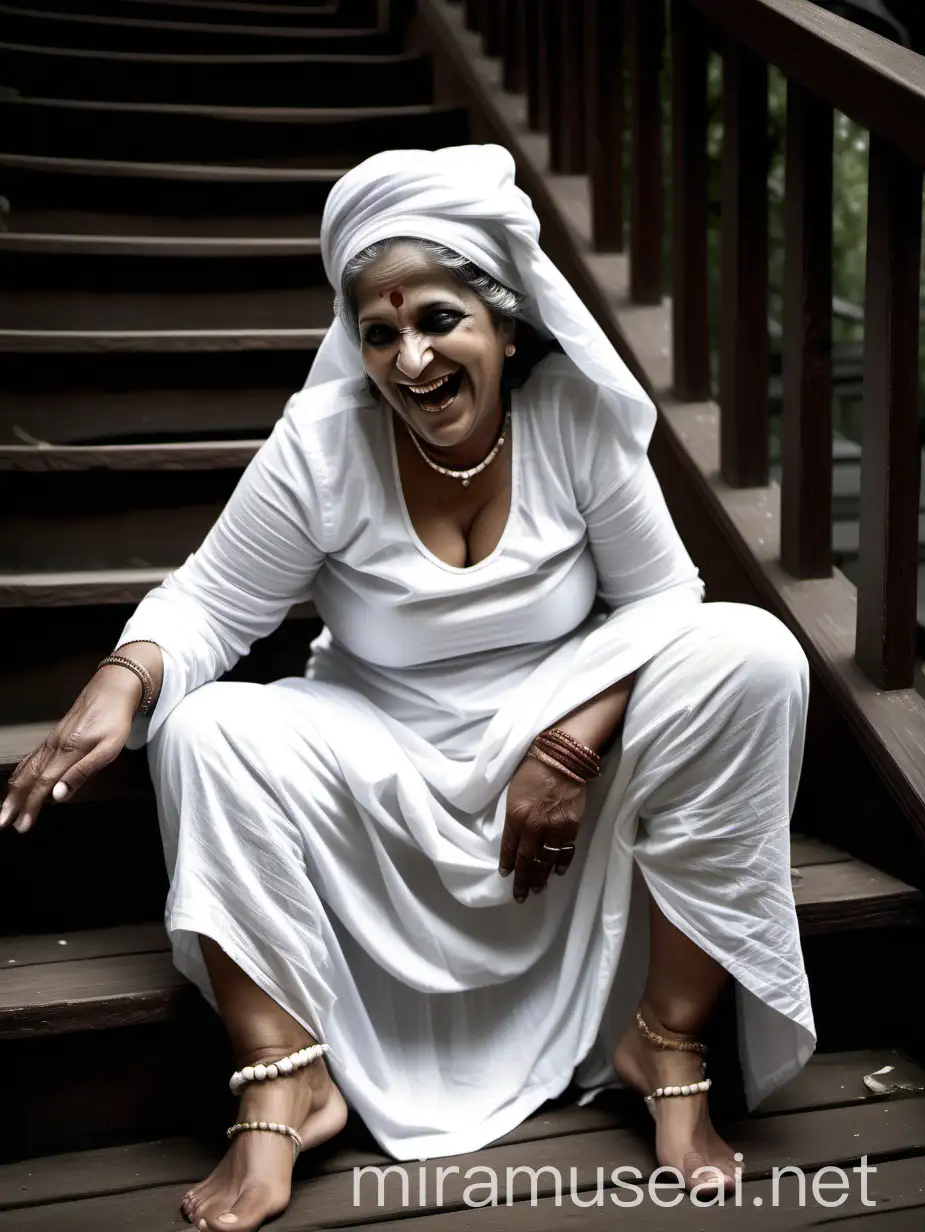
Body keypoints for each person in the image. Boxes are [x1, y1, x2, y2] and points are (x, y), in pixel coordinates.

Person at [0, 144, 814, 1231]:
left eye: (436, 319)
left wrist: (570, 744)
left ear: (504, 324)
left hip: (557, 769)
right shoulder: (323, 444)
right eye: (378, 331)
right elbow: (207, 605)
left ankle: (664, 1041)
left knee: (752, 654)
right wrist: (123, 676)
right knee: (206, 729)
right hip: (379, 755)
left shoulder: (571, 418)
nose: (409, 357)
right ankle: (284, 1076)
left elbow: (666, 601)